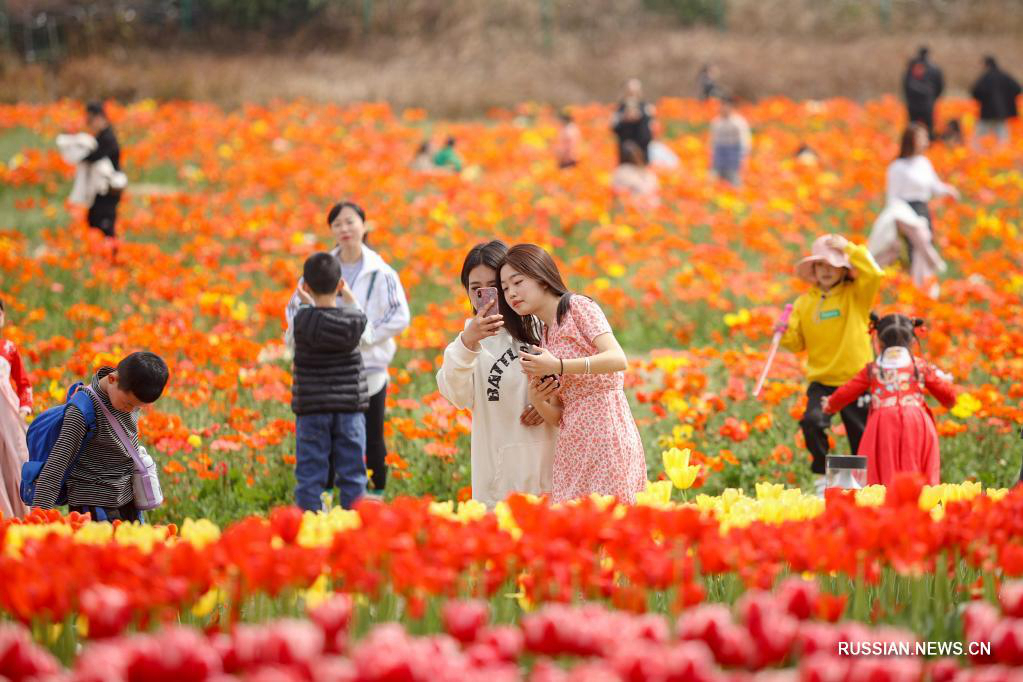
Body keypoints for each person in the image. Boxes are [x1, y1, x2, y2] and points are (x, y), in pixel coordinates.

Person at [497, 244, 647, 504]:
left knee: (609, 523)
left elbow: (617, 358)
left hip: (606, 435)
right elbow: (558, 416)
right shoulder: (544, 336)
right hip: (572, 447)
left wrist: (559, 365)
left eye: (517, 282)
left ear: (541, 277)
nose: (511, 293)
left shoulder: (577, 307)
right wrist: (538, 398)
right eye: (505, 288)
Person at [285, 202, 410, 496]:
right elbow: (292, 312)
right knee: (343, 446)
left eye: (350, 222)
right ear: (331, 230)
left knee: (372, 437)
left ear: (364, 225)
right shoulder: (321, 266)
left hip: (368, 371)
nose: (344, 229)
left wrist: (363, 339)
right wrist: (351, 330)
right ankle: (346, 502)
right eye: (337, 224)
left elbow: (399, 316)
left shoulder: (381, 271)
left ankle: (359, 498)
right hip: (323, 371)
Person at [436, 241, 557, 508]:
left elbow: (578, 379)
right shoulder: (468, 342)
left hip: (554, 474)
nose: (487, 296)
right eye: (476, 289)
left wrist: (549, 402)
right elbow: (457, 395)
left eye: (494, 286)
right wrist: (468, 343)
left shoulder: (543, 325)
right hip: (500, 486)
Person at [780, 234, 883, 497]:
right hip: (822, 381)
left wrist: (849, 248)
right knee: (812, 423)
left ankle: (865, 486)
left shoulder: (857, 296)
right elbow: (796, 343)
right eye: (820, 265)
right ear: (813, 270)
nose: (826, 271)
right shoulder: (804, 303)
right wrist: (783, 332)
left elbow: (874, 273)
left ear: (844, 269)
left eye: (832, 264)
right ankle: (821, 477)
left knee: (860, 434)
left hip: (857, 380)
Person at [31, 351, 169, 521]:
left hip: (127, 499)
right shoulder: (82, 412)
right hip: (94, 506)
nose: (131, 410)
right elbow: (55, 467)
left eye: (138, 407)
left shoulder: (128, 393)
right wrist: (38, 519)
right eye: (128, 404)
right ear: (112, 379)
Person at [824, 314, 956, 486]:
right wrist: (949, 399)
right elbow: (948, 396)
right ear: (912, 342)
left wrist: (830, 404)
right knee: (917, 469)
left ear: (878, 341)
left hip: (883, 423)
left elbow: (847, 390)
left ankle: (885, 507)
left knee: (883, 473)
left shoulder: (873, 369)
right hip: (916, 421)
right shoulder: (919, 366)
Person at [291, 252, 369, 511]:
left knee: (310, 475)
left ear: (306, 287)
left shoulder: (301, 321)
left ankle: (309, 526)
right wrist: (351, 300)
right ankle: (353, 528)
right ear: (339, 285)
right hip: (349, 410)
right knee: (353, 474)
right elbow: (361, 321)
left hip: (312, 411)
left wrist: (305, 303)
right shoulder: (355, 321)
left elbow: (293, 337)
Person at [885, 123, 960, 260]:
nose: (926, 141)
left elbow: (935, 187)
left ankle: (923, 280)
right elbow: (892, 197)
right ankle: (915, 278)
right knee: (914, 249)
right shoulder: (897, 167)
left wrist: (950, 190)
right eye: (922, 138)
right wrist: (894, 220)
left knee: (926, 245)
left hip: (923, 209)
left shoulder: (924, 162)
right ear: (911, 140)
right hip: (906, 212)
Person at [0, 297, 32, 519]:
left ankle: (18, 513)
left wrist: (25, 406)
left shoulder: (8, 347)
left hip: (7, 409)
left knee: (14, 457)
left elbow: (23, 382)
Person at [82, 102, 123, 239]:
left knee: (104, 224)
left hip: (109, 190)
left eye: (90, 120)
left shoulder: (108, 138)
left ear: (99, 118)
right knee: (94, 220)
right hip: (101, 189)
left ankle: (109, 254)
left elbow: (94, 156)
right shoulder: (101, 136)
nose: (89, 124)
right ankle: (100, 252)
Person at [971, 56, 1021, 144]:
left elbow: (975, 92)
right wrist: (1008, 100)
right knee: (1002, 134)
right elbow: (1017, 88)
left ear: (986, 65)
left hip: (987, 111)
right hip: (1002, 111)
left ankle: (979, 153)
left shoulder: (985, 77)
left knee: (981, 134)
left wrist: (984, 100)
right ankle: (1003, 152)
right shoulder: (1004, 76)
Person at [902, 46, 944, 139]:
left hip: (913, 104)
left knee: (913, 128)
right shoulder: (935, 68)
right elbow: (940, 86)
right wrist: (933, 98)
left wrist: (909, 100)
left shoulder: (911, 67)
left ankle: (913, 147)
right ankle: (930, 146)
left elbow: (905, 86)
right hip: (928, 104)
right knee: (929, 127)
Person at [611, 78, 655, 166]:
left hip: (642, 150)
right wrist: (624, 119)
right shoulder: (620, 109)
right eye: (630, 92)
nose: (632, 95)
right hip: (625, 152)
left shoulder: (647, 108)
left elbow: (651, 130)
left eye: (635, 92)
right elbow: (614, 127)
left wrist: (641, 118)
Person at [710, 96, 752, 185]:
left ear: (731, 107)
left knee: (733, 175)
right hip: (720, 150)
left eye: (726, 106)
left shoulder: (738, 122)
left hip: (733, 151)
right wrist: (712, 153)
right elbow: (713, 140)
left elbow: (744, 139)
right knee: (717, 176)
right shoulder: (716, 122)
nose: (723, 109)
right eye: (722, 106)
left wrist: (743, 155)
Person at [611, 141, 659, 206]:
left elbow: (615, 190)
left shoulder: (622, 170)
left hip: (634, 205)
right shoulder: (647, 172)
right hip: (653, 204)